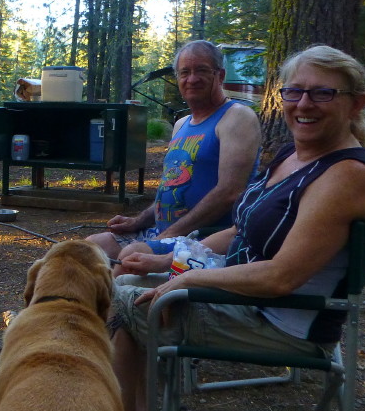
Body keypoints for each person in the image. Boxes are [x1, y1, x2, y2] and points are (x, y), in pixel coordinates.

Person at [108, 44, 365, 411]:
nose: (304, 105)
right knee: (126, 283)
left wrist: (185, 281)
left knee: (111, 297)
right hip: (243, 297)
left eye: (323, 94)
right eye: (294, 93)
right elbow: (239, 230)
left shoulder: (346, 175)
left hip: (281, 322)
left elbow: (280, 277)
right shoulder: (293, 157)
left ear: (356, 104)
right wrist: (168, 258)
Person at [88, 40, 261, 271]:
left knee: (131, 256)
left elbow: (229, 192)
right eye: (185, 72)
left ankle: (107, 306)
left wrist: (169, 234)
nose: (192, 79)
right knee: (90, 249)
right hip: (161, 232)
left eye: (201, 70)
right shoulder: (181, 124)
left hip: (205, 239)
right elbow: (170, 189)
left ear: (220, 75)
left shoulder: (236, 117)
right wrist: (139, 220)